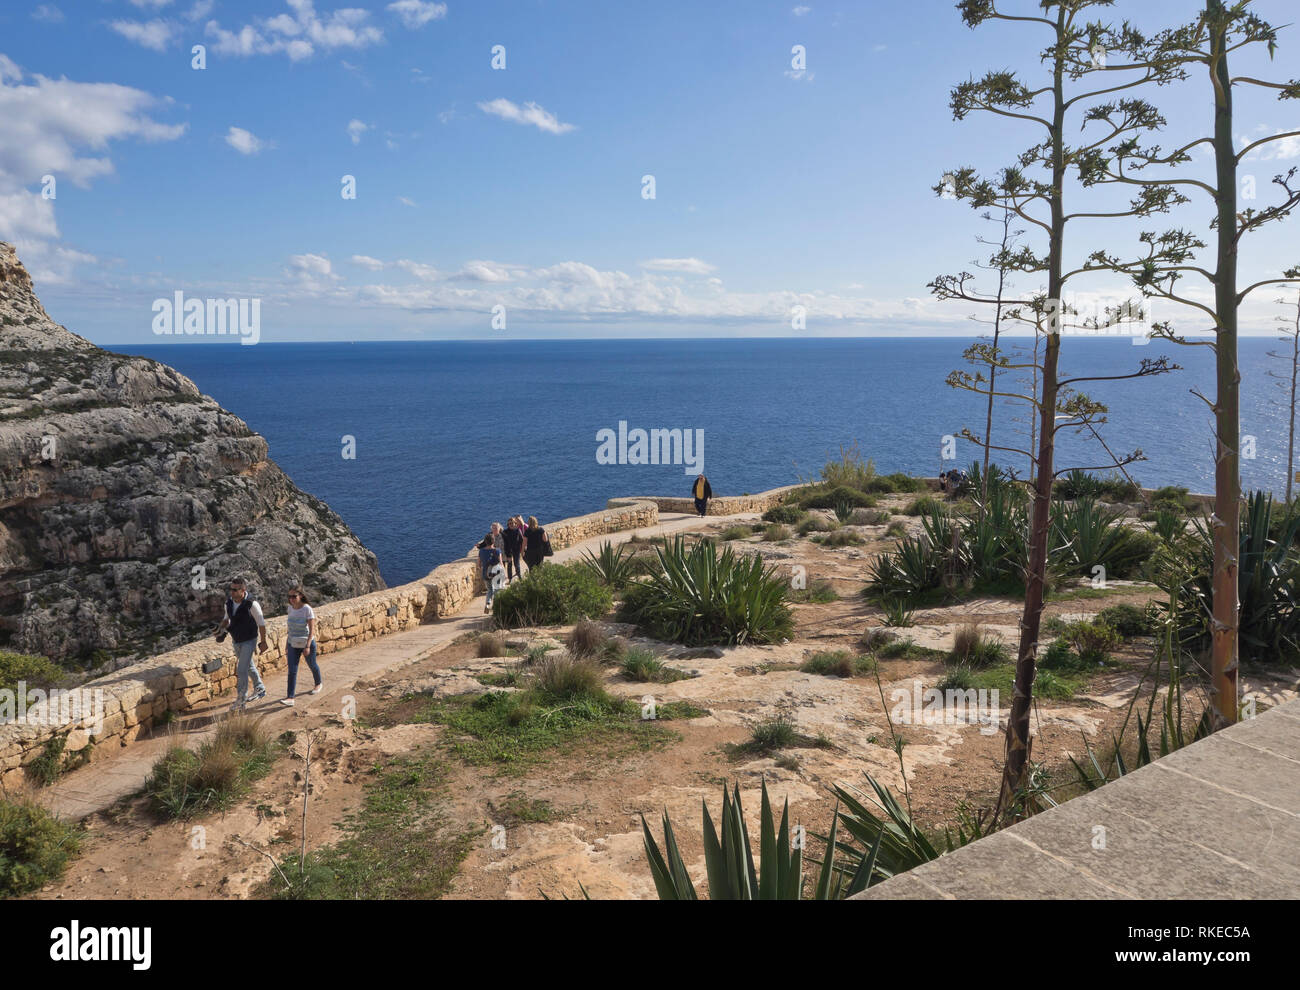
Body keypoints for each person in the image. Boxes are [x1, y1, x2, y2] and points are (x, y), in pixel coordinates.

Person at [215, 576, 268, 709]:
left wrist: (263, 642)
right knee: (249, 666)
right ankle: (260, 688)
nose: (231, 592)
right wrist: (220, 629)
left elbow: (261, 624)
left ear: (243, 590)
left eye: (234, 590)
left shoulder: (252, 604)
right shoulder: (229, 603)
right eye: (230, 589)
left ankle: (241, 700)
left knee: (242, 669)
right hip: (236, 639)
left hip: (249, 640)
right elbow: (227, 619)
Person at [280, 586, 322, 707]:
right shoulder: (290, 609)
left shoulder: (307, 609)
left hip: (306, 643)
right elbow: (290, 628)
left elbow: (312, 629)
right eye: (289, 597)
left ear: (301, 596)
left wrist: (308, 646)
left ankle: (318, 683)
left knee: (312, 665)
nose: (291, 599)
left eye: (294, 596)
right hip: (293, 643)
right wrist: (287, 644)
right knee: (292, 670)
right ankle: (290, 697)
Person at [478, 534, 504, 613]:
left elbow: (479, 564)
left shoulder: (481, 551)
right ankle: (496, 608)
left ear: (485, 541)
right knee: (496, 590)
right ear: (493, 541)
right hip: (496, 573)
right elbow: (501, 563)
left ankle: (487, 604)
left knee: (489, 590)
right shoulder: (497, 550)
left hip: (486, 573)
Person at [502, 516, 525, 583]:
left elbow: (521, 540)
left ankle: (519, 576)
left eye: (512, 523)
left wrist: (522, 550)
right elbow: (503, 543)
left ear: (515, 523)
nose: (511, 524)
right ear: (508, 525)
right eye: (510, 523)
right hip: (508, 551)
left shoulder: (518, 531)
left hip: (516, 550)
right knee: (509, 565)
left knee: (516, 564)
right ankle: (510, 579)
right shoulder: (505, 532)